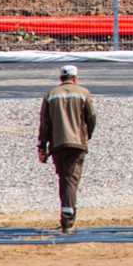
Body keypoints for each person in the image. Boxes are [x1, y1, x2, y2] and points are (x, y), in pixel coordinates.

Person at [37, 64, 97, 233]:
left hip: (57, 145)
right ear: (75, 78)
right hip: (77, 143)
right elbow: (91, 118)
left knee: (64, 179)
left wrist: (42, 145)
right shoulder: (83, 93)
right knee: (70, 181)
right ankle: (68, 221)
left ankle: (66, 217)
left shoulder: (51, 95)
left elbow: (45, 123)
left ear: (61, 78)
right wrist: (87, 136)